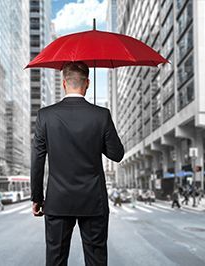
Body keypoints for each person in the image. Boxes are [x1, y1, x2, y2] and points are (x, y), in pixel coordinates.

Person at [31, 61, 124, 266]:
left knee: (55, 260)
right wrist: (96, 137)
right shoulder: (101, 115)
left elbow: (37, 160)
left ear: (64, 83)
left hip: (58, 201)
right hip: (93, 201)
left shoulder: (45, 116)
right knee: (96, 261)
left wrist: (37, 197)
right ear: (87, 83)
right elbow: (117, 154)